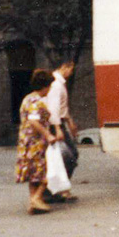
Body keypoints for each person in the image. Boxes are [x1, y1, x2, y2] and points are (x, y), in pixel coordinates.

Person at [15, 69, 58, 215]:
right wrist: (48, 135)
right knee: (44, 172)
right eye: (49, 86)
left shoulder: (27, 98)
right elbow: (34, 121)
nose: (50, 89)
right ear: (45, 86)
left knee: (33, 174)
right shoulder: (35, 101)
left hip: (26, 142)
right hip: (35, 143)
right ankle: (36, 198)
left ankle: (33, 202)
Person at [44, 59, 78, 202]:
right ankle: (57, 190)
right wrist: (58, 129)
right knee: (67, 156)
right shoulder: (56, 85)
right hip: (55, 124)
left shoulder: (59, 84)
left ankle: (60, 189)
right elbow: (54, 109)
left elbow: (62, 108)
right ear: (65, 66)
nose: (71, 73)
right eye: (71, 69)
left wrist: (69, 121)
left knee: (68, 156)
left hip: (60, 123)